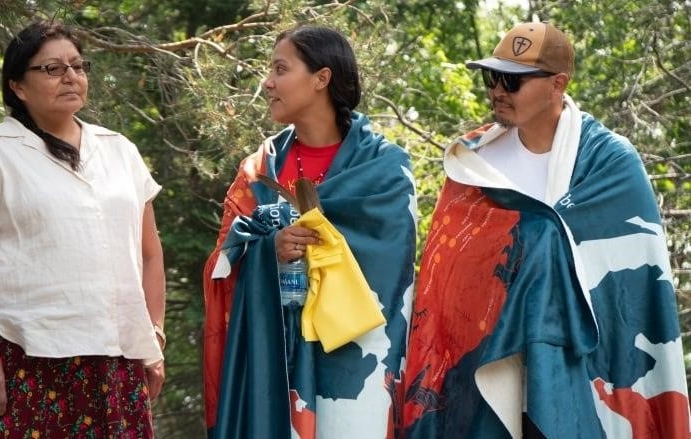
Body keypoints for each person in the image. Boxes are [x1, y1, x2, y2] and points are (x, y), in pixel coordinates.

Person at [403, 21, 690, 438]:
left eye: (513, 80)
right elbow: (446, 279)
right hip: (485, 367)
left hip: (583, 368)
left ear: (558, 84)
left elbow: (636, 291)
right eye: (492, 77)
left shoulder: (608, 164)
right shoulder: (472, 163)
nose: (497, 90)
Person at [0, 21, 166, 437]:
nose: (71, 76)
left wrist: (154, 336)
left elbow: (150, 253)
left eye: (78, 66)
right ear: (18, 87)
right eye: (52, 69)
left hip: (116, 361)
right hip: (20, 359)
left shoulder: (120, 151)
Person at [202, 26, 417, 438]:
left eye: (280, 69)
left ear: (322, 79)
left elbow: (395, 275)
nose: (267, 83)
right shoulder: (260, 170)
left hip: (356, 370)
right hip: (274, 361)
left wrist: (315, 250)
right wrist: (269, 250)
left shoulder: (385, 170)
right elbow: (220, 265)